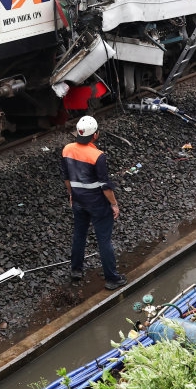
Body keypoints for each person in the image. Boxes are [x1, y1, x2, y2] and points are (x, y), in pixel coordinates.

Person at [61, 115, 128, 290]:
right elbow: (105, 186)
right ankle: (112, 279)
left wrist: (71, 194)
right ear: (95, 135)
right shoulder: (98, 156)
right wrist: (114, 204)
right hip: (97, 204)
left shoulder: (67, 149)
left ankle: (76, 270)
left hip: (78, 201)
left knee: (79, 234)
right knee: (104, 240)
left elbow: (67, 178)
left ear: (78, 133)